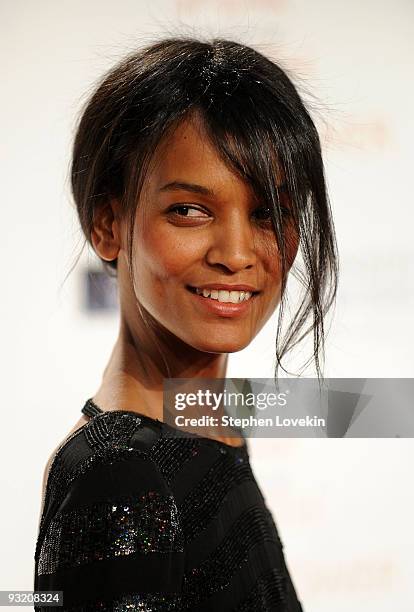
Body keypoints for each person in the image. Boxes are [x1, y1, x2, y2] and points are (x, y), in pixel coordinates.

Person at [34, 36, 338, 611]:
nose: (237, 252)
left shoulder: (206, 429)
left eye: (267, 212)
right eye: (190, 211)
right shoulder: (122, 473)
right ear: (106, 223)